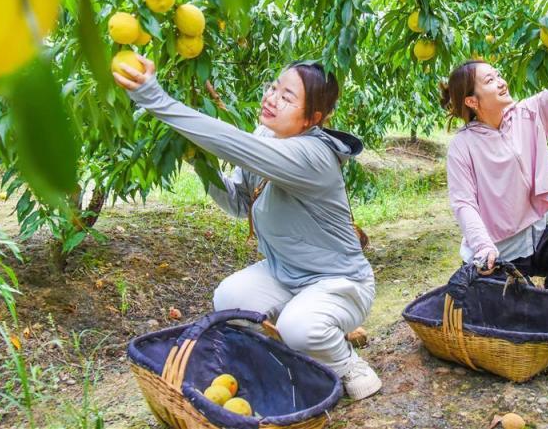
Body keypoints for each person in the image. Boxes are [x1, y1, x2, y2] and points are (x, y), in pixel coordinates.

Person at [113, 55, 381, 400]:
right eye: (274, 88)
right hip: (286, 274)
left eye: (287, 98)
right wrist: (200, 163)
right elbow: (240, 203)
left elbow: (232, 143)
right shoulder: (266, 134)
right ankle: (293, 349)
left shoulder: (313, 155)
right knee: (230, 299)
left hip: (342, 282)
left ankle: (347, 364)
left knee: (301, 327)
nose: (272, 98)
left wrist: (155, 99)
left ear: (312, 119)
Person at [439, 38, 548, 298]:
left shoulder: (529, 114)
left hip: (534, 237)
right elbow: (463, 203)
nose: (501, 82)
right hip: (496, 256)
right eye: (490, 81)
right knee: (507, 318)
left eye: (498, 76)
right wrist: (484, 247)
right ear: (472, 102)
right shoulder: (463, 145)